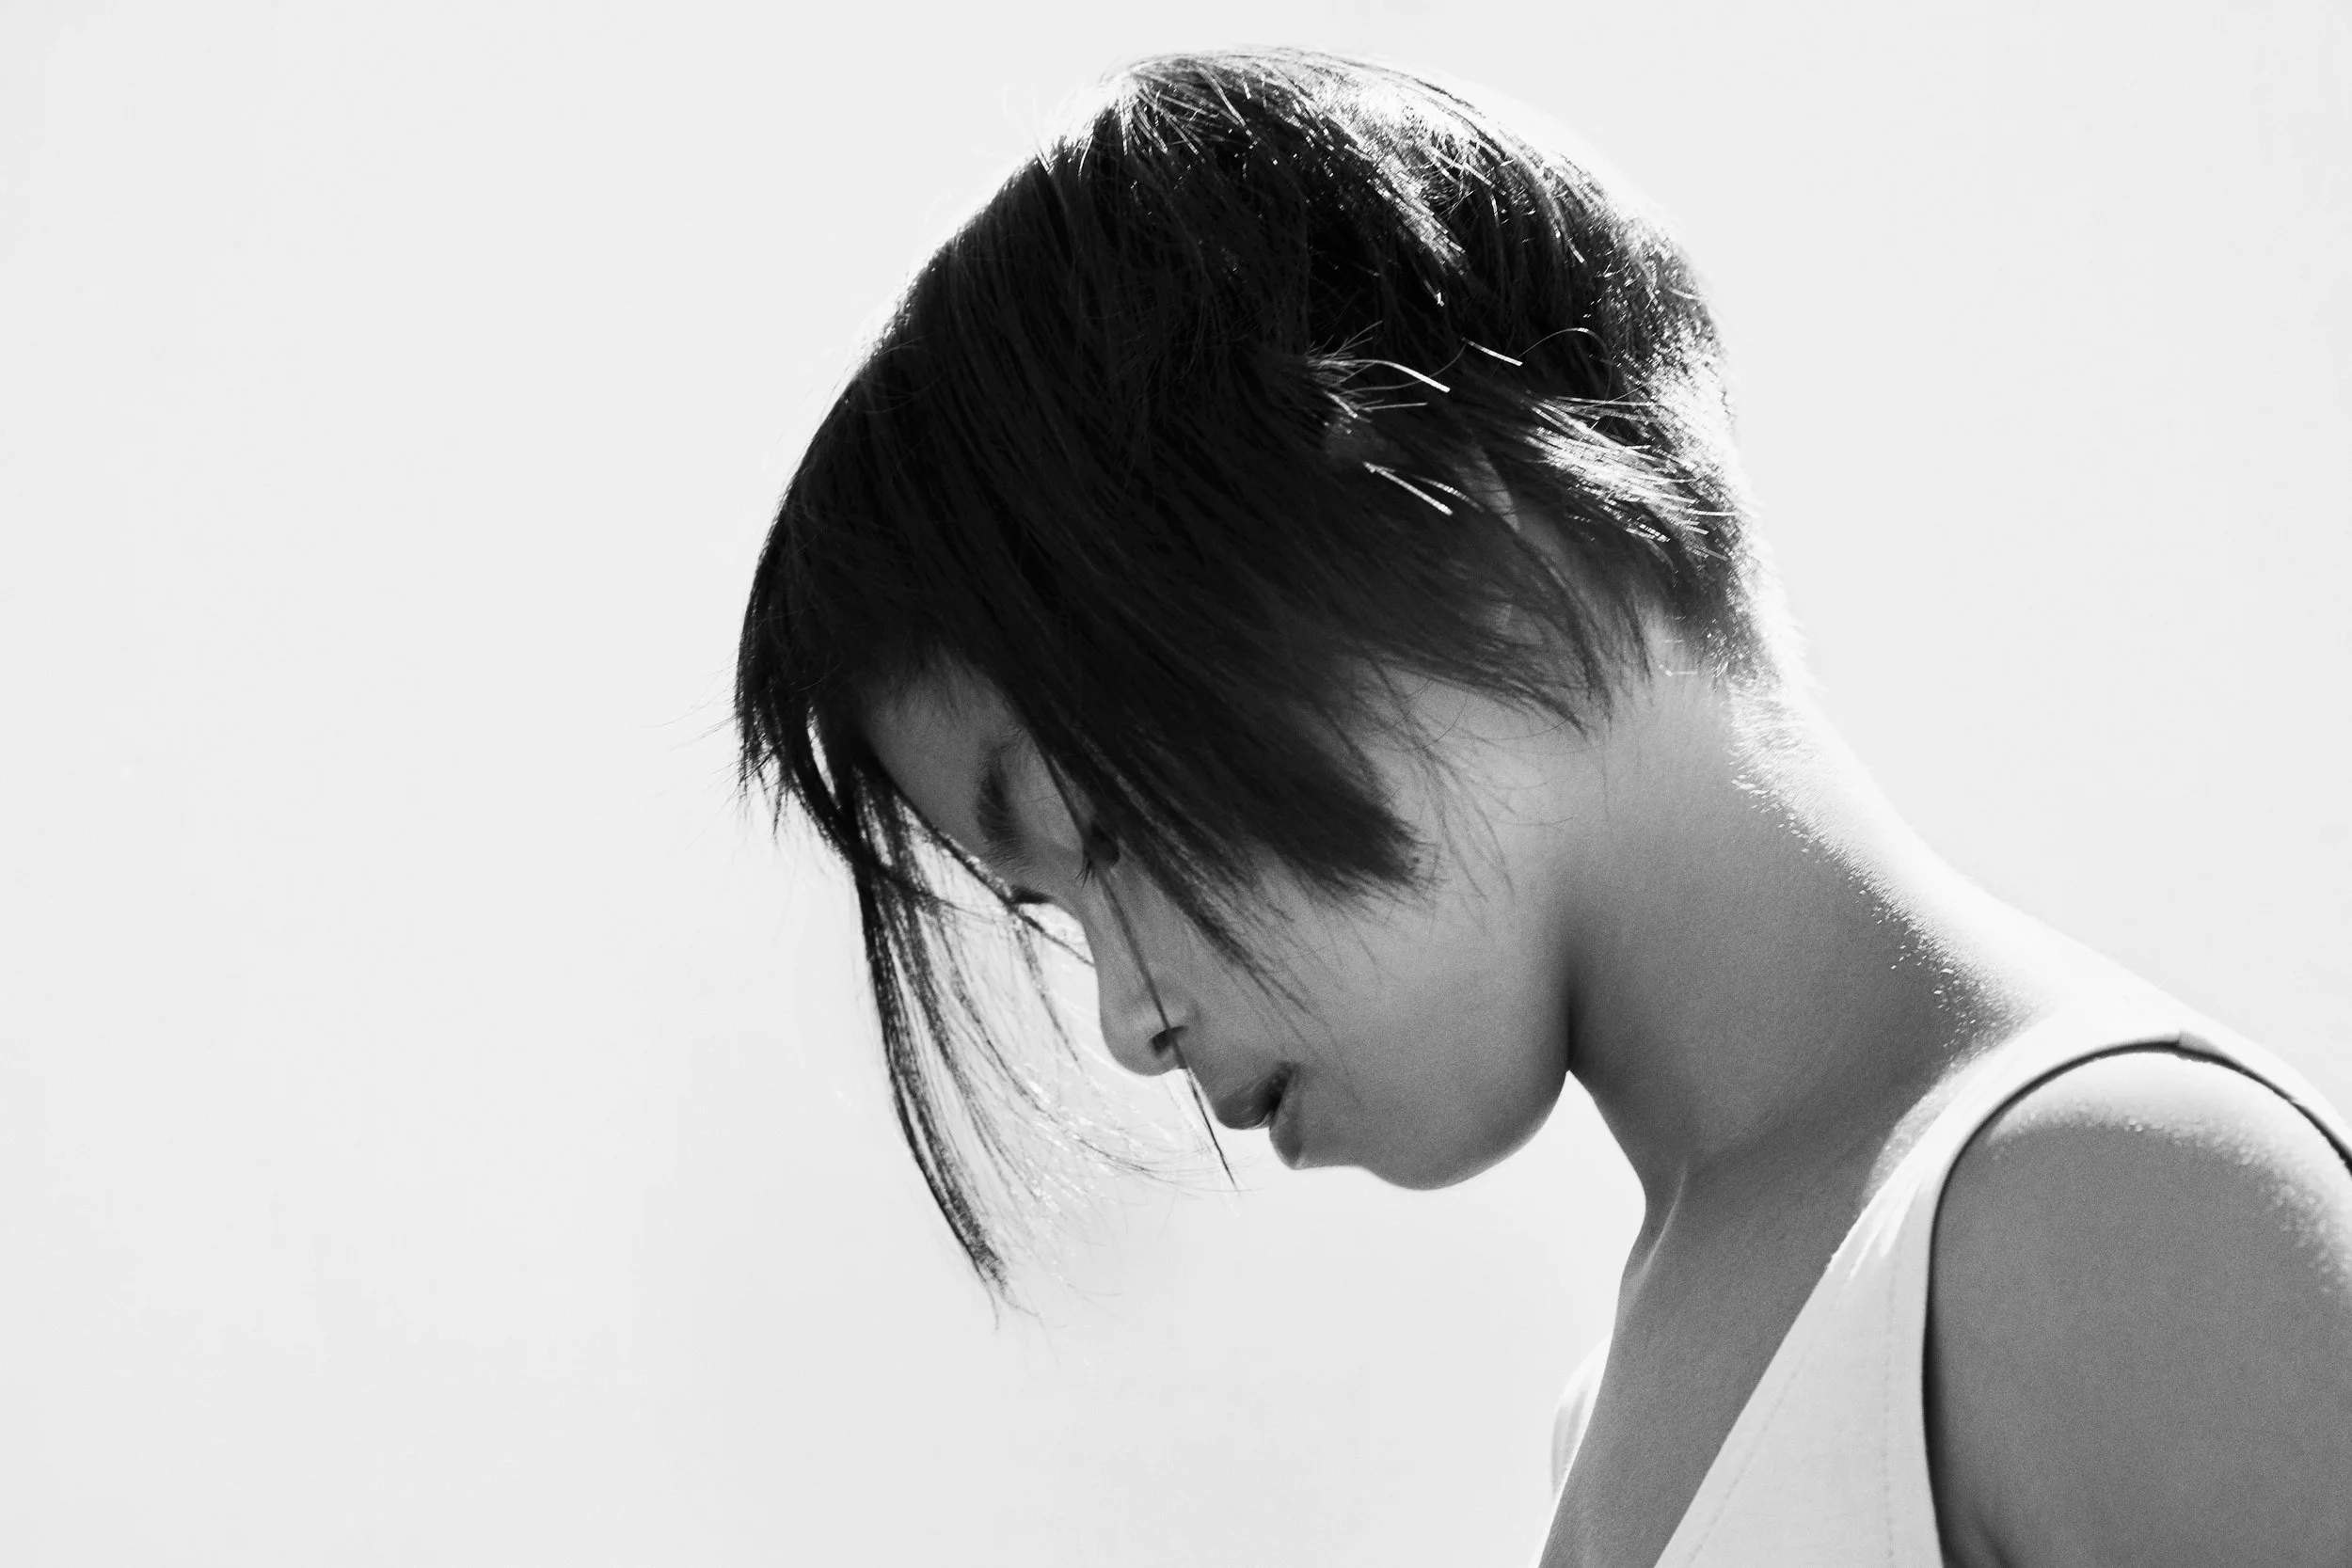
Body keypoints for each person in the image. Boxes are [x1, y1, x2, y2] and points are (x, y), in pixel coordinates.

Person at [734, 46, 2352, 1567]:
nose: (1123, 1025)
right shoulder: (1627, 1406)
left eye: (1107, 829)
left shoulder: (2112, 1216)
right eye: (1057, 911)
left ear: (1474, 549)